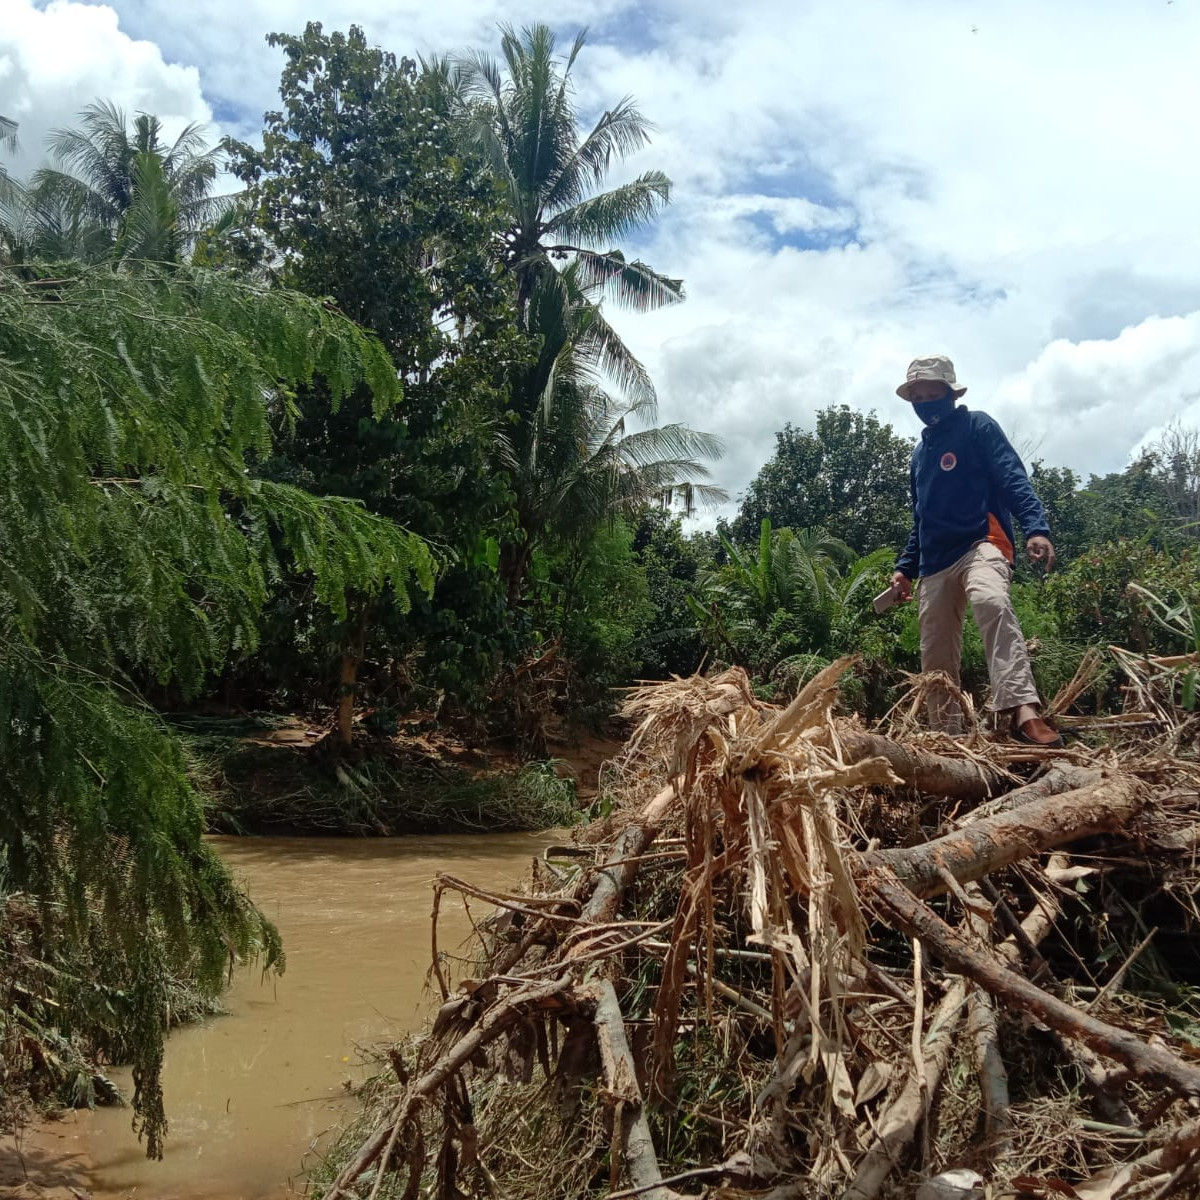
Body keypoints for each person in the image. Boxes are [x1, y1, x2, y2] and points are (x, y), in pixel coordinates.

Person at [889, 355, 1063, 746]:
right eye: (917, 396)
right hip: (934, 561)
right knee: (934, 651)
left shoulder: (976, 427)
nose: (924, 401)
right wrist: (905, 568)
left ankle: (1023, 711)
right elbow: (921, 519)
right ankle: (946, 737)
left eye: (931, 393)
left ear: (950, 393)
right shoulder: (919, 456)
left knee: (992, 602)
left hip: (980, 541)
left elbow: (1011, 476)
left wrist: (1036, 527)